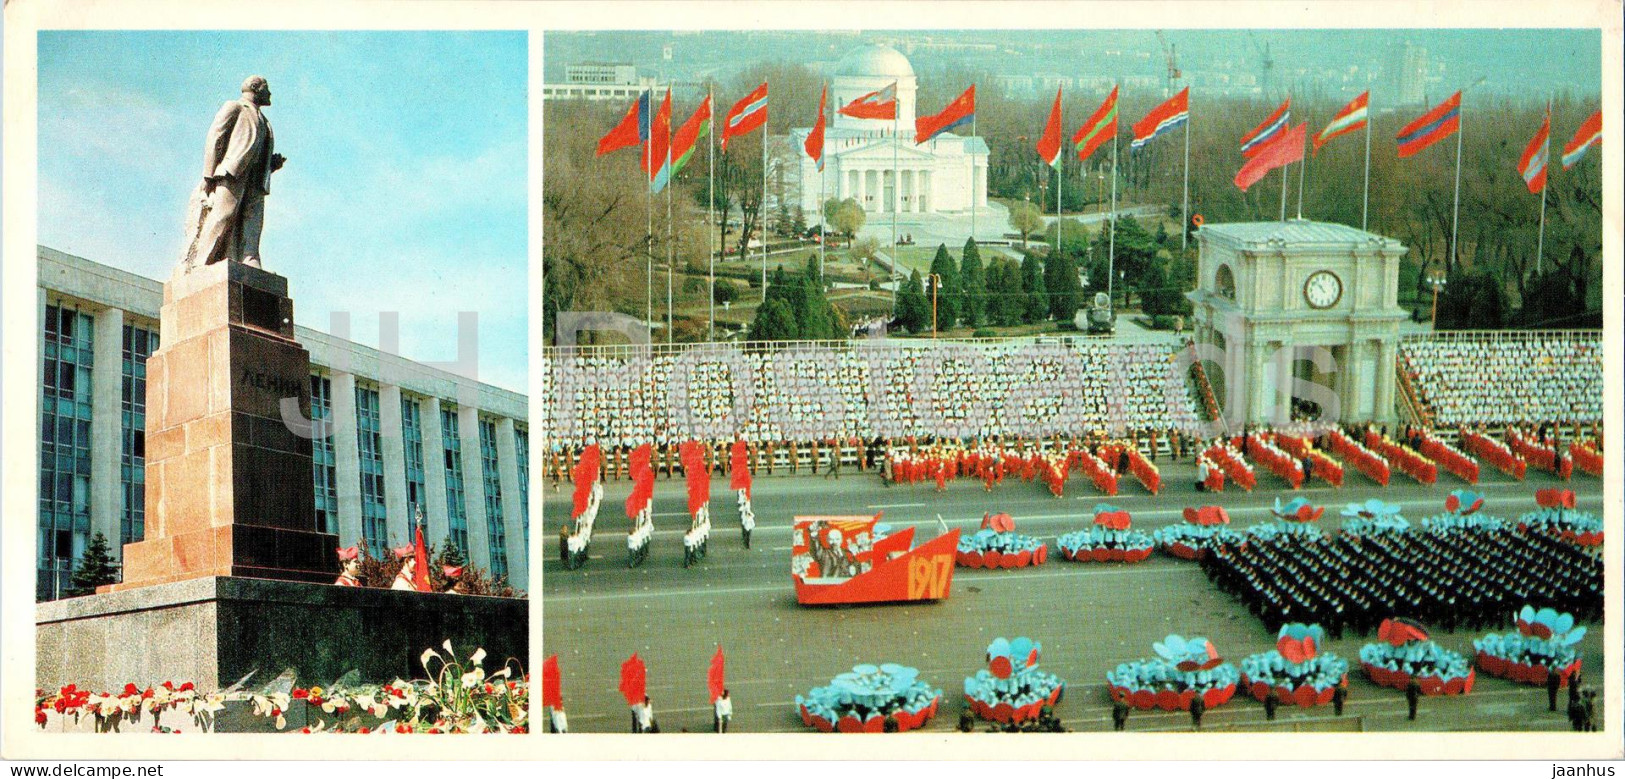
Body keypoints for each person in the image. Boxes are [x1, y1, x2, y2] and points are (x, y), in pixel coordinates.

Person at [182, 75, 286, 270]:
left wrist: (270, 165)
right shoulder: (235, 107)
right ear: (255, 87)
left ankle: (250, 259)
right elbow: (215, 138)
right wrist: (208, 175)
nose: (270, 93)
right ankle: (200, 262)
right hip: (233, 173)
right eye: (266, 88)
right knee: (224, 215)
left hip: (257, 179)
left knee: (253, 222)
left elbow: (256, 150)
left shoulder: (265, 121)